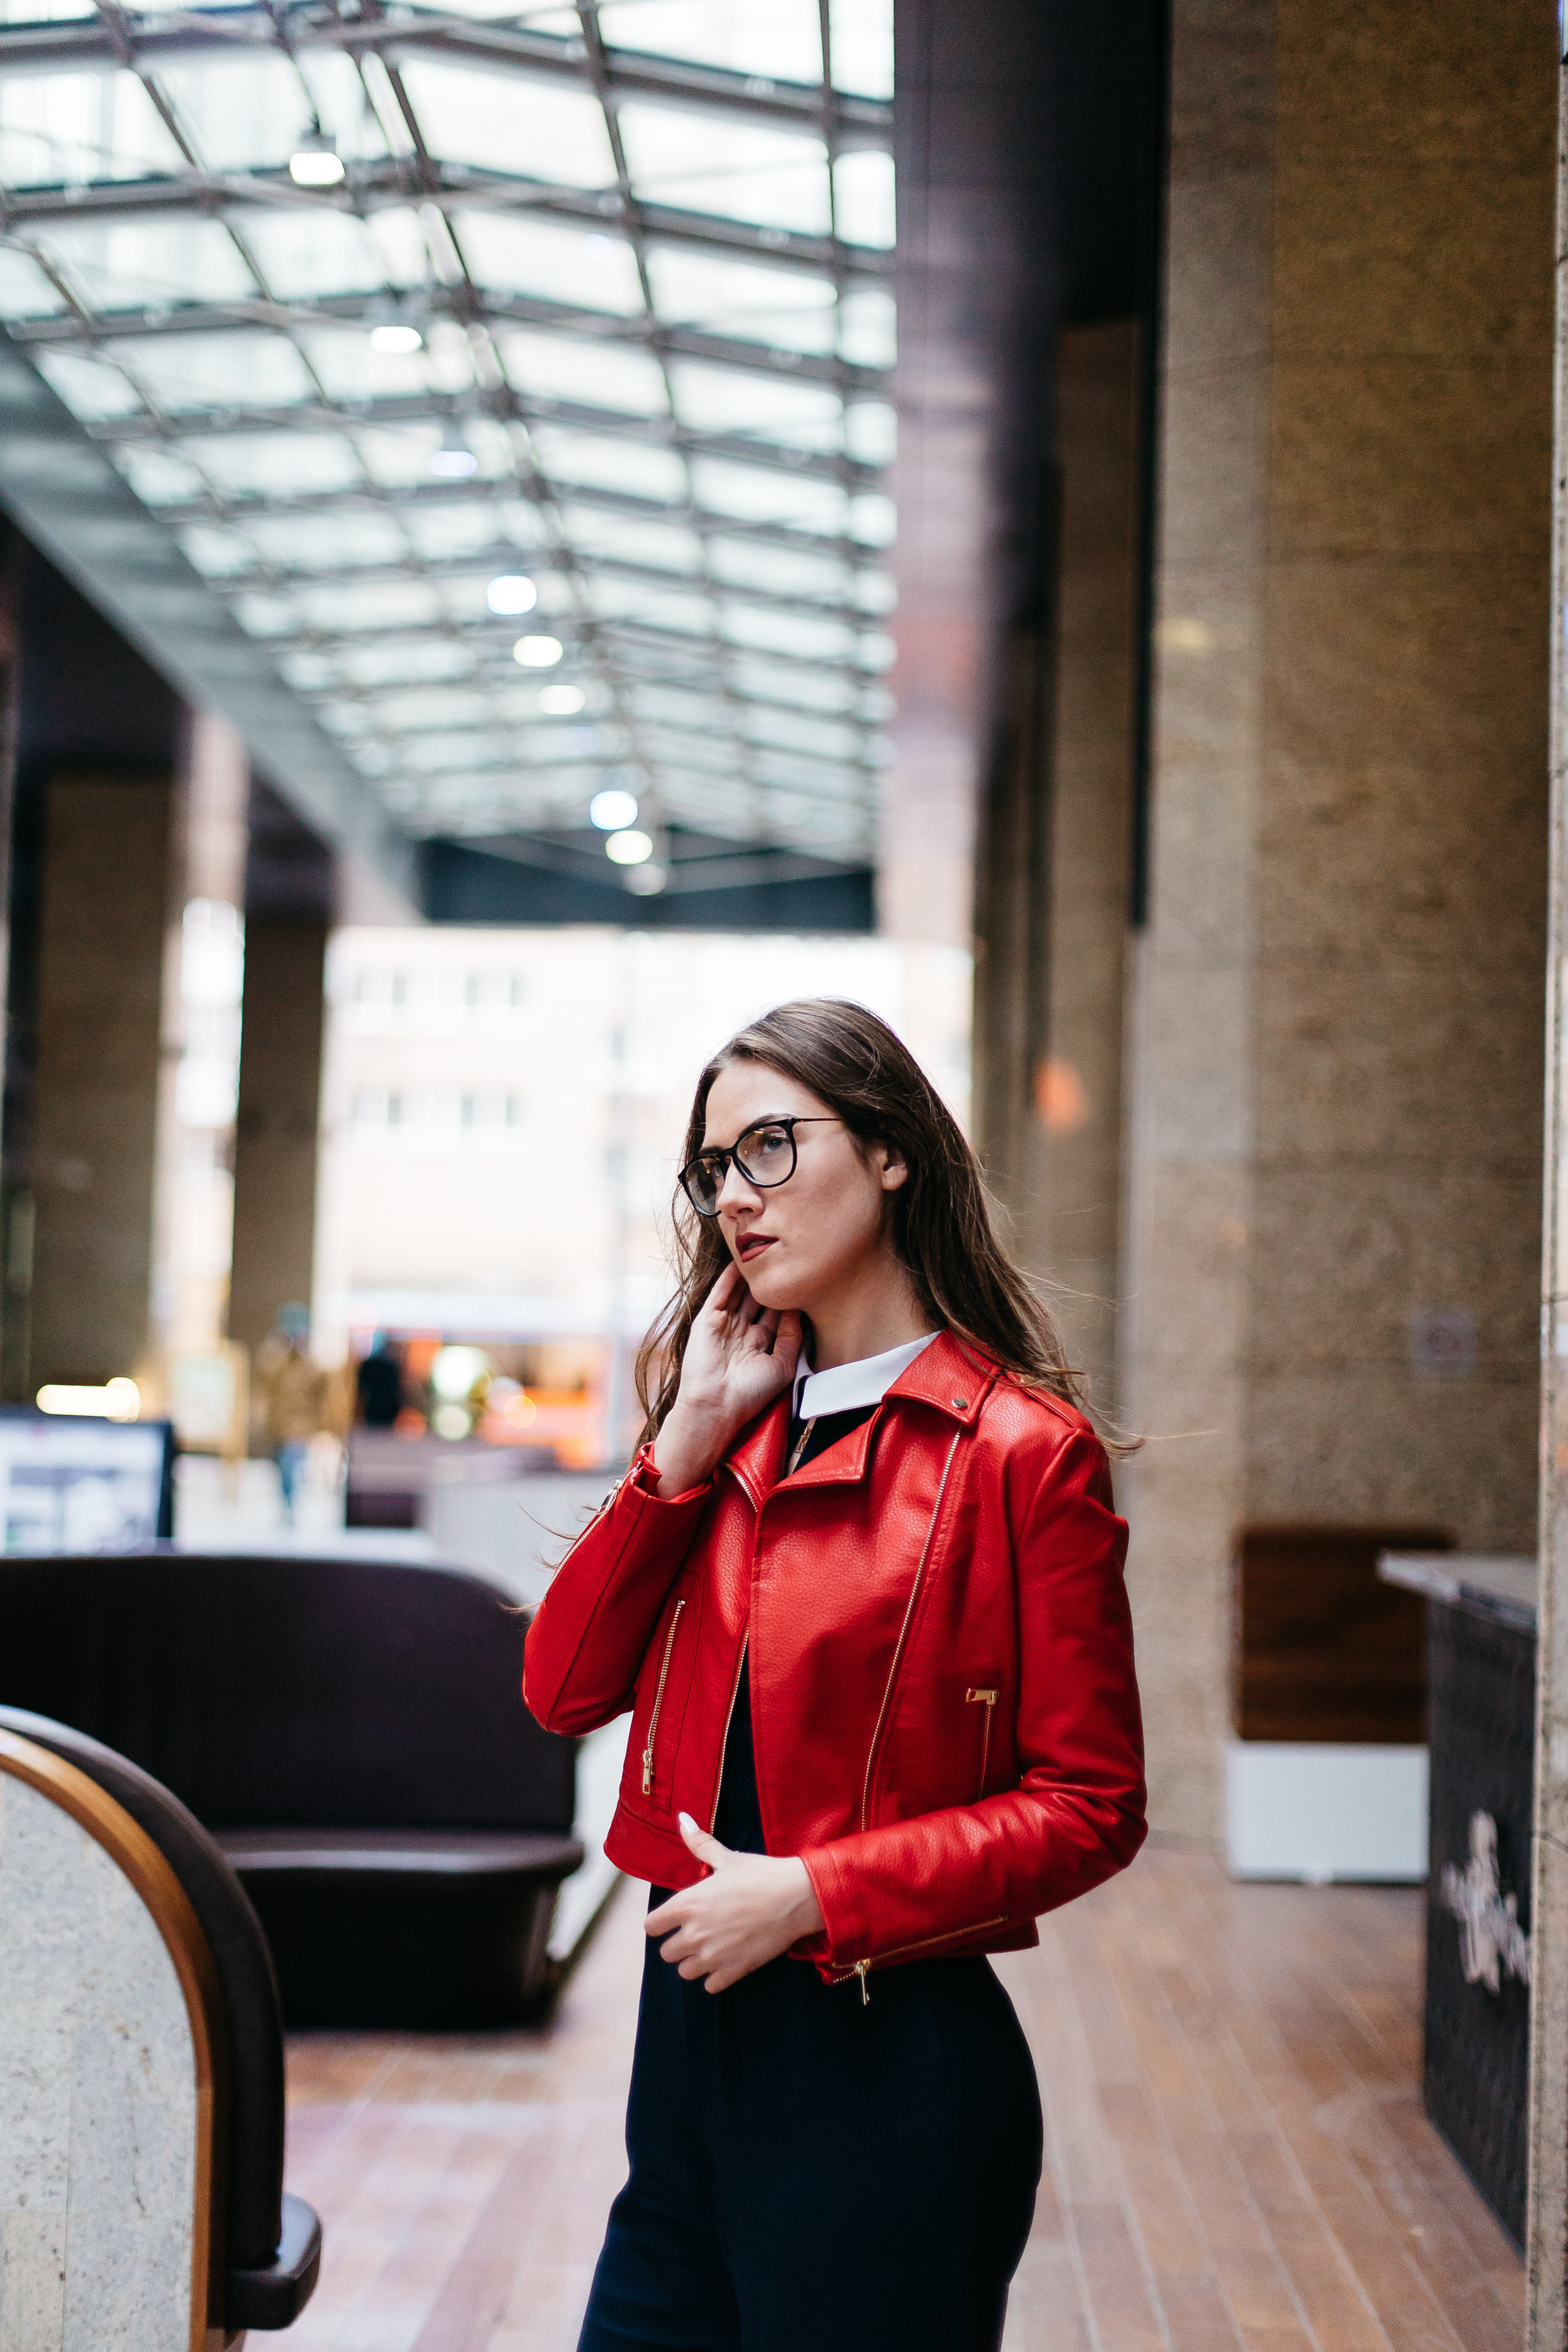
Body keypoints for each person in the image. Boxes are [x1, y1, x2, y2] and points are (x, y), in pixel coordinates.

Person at [524, 1000, 1145, 2352]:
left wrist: (814, 1893)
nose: (733, 1201)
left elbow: (1091, 1804)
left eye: (767, 1149)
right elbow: (561, 1691)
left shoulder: (1019, 1454)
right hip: (684, 2067)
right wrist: (677, 1451)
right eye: (711, 1171)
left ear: (888, 1153)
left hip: (886, 2074)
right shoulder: (730, 1423)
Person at [254, 1302, 329, 1525]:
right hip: (278, 1425)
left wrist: (320, 1424)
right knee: (281, 1468)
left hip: (300, 1426)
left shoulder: (311, 1365)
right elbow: (266, 1382)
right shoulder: (276, 1359)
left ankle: (291, 1506)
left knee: (291, 1463)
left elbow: (320, 1395)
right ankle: (287, 1503)